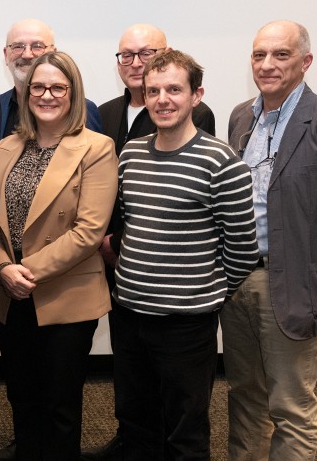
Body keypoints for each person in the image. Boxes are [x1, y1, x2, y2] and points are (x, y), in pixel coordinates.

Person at [221, 20, 317, 460]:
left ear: (305, 62)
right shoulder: (239, 117)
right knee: (244, 395)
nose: (267, 65)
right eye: (258, 55)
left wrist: (313, 260)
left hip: (291, 287)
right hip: (238, 284)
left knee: (290, 405)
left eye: (280, 55)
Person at [113, 50, 259, 459]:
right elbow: (128, 226)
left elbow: (243, 251)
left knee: (185, 431)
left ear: (196, 96)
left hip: (185, 326)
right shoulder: (131, 154)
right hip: (128, 316)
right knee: (134, 421)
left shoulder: (221, 162)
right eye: (153, 90)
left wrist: (204, 292)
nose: (162, 99)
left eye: (174, 89)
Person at [86, 23, 217, 461]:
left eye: (146, 54)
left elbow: (234, 239)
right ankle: (134, 443)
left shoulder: (196, 121)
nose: (135, 64)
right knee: (133, 390)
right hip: (123, 277)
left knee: (182, 412)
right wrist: (107, 241)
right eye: (126, 55)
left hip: (181, 297)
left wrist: (209, 287)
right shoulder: (103, 112)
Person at [0, 51, 117, 460]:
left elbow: (89, 231)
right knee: (21, 400)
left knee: (60, 409)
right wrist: (1, 268)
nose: (46, 95)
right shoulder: (6, 147)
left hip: (64, 296)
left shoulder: (96, 148)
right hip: (11, 296)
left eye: (57, 87)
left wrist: (22, 271)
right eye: (38, 87)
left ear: (73, 93)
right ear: (26, 94)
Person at [0, 19, 102, 138]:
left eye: (37, 46)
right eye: (18, 46)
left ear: (53, 53)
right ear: (6, 55)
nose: (27, 55)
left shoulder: (83, 109)